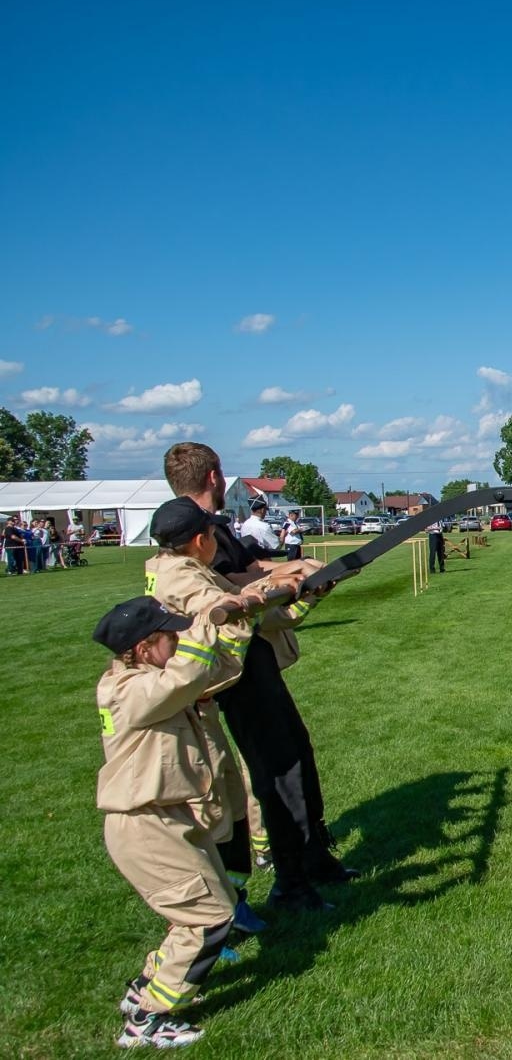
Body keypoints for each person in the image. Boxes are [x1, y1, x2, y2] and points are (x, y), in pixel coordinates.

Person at [162, 442, 355, 913]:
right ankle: (290, 882)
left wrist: (298, 577)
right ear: (214, 477)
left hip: (255, 661)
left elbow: (245, 575)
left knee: (297, 753)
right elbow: (233, 592)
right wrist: (289, 583)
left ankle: (313, 858)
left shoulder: (204, 531)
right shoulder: (194, 537)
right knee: (278, 770)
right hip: (237, 672)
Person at [92, 595, 252, 1048]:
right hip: (144, 824)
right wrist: (205, 620)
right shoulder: (128, 691)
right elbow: (189, 671)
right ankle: (150, 1019)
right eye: (170, 636)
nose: (180, 640)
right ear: (144, 649)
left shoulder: (157, 681)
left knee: (203, 909)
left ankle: (146, 988)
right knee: (209, 918)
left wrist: (241, 618)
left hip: (171, 818)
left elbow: (217, 670)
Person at [144, 498, 284, 936]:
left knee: (229, 796)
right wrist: (245, 603)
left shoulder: (175, 564)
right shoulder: (183, 575)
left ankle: (235, 901)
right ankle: (213, 919)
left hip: (198, 704)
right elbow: (219, 609)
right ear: (201, 540)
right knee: (213, 806)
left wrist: (290, 598)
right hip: (189, 710)